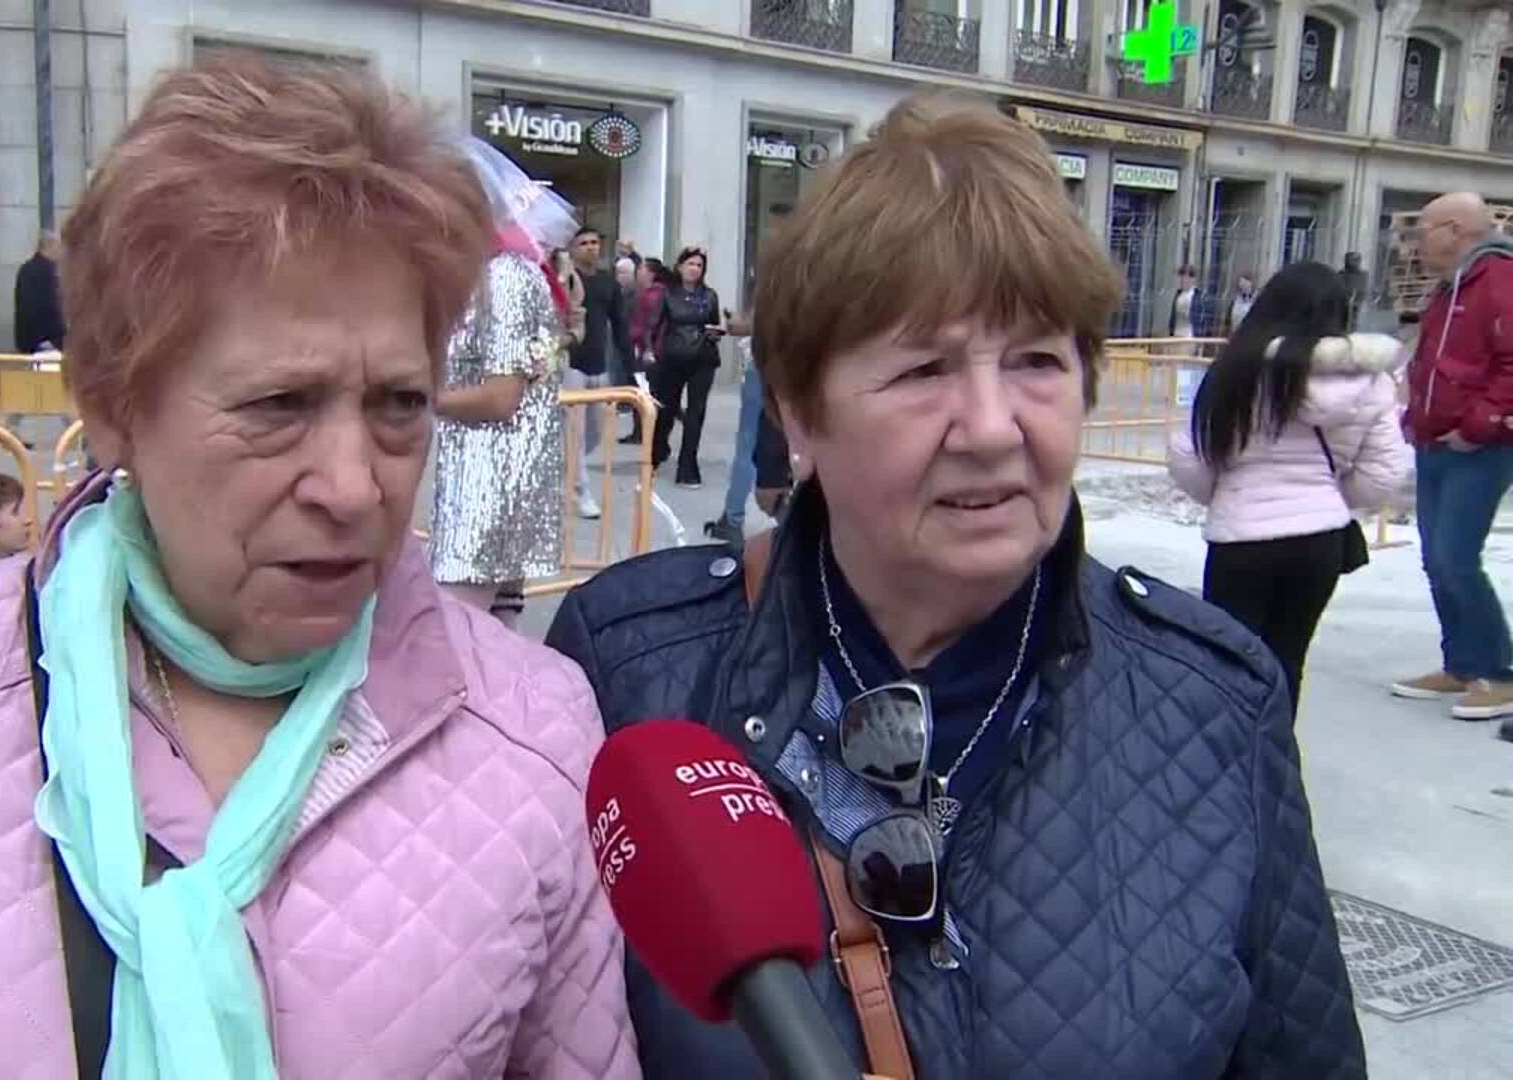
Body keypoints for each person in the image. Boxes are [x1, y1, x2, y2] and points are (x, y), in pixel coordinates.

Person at [0, 55, 633, 1077]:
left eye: (399, 405)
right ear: (110, 407)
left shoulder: (535, 731)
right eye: (280, 406)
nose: (355, 487)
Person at [546, 93, 1363, 1079]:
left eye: (1035, 362)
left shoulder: (1215, 701)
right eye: (924, 369)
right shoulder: (630, 667)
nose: (989, 426)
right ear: (800, 414)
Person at [1169, 262, 1411, 708]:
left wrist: (1225, 494)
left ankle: (1227, 763)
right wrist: (1329, 499)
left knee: (1227, 662)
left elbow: (1189, 455)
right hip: (1319, 542)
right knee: (1287, 658)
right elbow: (1384, 470)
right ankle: (1276, 762)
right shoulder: (1370, 382)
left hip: (1239, 537)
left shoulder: (1234, 373)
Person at [429, 138, 576, 628]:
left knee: (457, 636)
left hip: (491, 483)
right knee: (494, 630)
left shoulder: (507, 277)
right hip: (484, 477)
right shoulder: (484, 275)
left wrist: (418, 400)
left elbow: (500, 397)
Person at [1390, 191, 1513, 727]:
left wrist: (1479, 425)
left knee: (1457, 558)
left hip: (1478, 447)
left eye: (1426, 230)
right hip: (1435, 440)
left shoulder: (1499, 282)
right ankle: (1462, 663)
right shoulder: (1452, 284)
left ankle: (1499, 672)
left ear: (1457, 230)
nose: (1417, 242)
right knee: (1436, 558)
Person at [566, 228, 632, 519]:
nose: (591, 247)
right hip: (570, 365)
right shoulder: (565, 279)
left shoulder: (608, 283)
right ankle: (582, 491)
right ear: (573, 247)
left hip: (599, 366)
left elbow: (620, 326)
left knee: (596, 431)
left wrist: (632, 369)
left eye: (595, 242)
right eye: (584, 243)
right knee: (576, 433)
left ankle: (567, 464)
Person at [648, 247, 724, 486]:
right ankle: (656, 452)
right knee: (666, 409)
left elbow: (714, 323)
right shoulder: (668, 294)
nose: (694, 269)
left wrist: (715, 333)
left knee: (696, 413)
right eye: (690, 264)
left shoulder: (709, 295)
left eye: (699, 265)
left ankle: (688, 465)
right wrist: (649, 351)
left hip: (703, 358)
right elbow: (655, 324)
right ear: (680, 267)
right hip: (673, 357)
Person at [6, 230, 68, 447]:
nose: (62, 251)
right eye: (58, 246)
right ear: (48, 247)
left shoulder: (31, 269)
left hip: (36, 339)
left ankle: (10, 427)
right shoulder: (43, 272)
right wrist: (47, 337)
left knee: (34, 385)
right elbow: (44, 307)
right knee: (58, 385)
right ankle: (78, 432)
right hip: (44, 340)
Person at [705, 308, 757, 545]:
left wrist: (733, 321)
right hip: (803, 373)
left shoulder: (779, 281)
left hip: (767, 370)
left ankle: (733, 519)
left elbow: (746, 325)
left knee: (748, 445)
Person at [1164, 263, 1204, 338]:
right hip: (1176, 334)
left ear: (1192, 279)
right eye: (1181, 277)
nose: (1182, 280)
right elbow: (1173, 316)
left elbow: (1200, 320)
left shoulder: (1197, 296)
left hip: (1189, 335)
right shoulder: (1178, 295)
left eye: (1185, 277)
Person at [1225, 270, 1257, 335]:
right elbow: (1227, 319)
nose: (1242, 285)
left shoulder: (1256, 299)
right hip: (1235, 332)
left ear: (1250, 283)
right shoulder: (1235, 300)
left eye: (1244, 283)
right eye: (1241, 283)